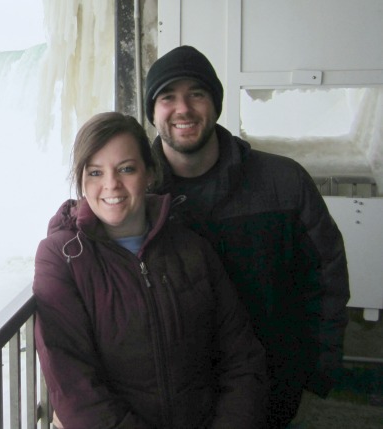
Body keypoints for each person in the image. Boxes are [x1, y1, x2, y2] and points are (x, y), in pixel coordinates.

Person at [144, 45, 350, 428]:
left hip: (277, 392)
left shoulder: (284, 183)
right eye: (167, 97)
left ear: (216, 103)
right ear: (152, 112)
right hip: (177, 404)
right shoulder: (138, 198)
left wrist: (315, 377)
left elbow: (327, 281)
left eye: (196, 94)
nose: (183, 108)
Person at [33, 111, 267, 428]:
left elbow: (241, 358)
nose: (111, 185)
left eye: (126, 169)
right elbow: (74, 387)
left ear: (149, 172)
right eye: (95, 172)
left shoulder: (192, 248)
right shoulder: (62, 257)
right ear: (81, 180)